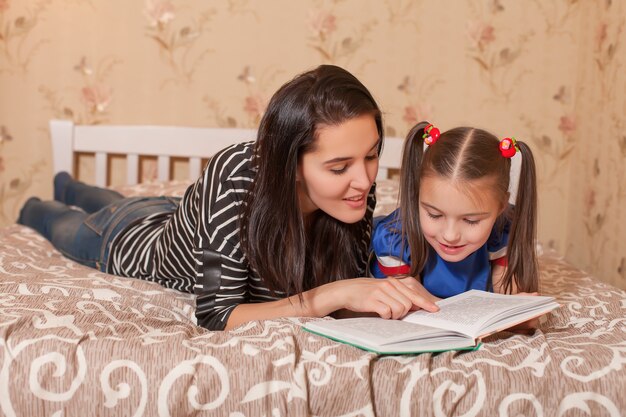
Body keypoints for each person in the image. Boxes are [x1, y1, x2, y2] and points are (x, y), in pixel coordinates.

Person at [18, 65, 439, 331]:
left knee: (105, 196)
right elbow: (218, 315)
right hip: (129, 240)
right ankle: (54, 190)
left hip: (175, 214)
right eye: (338, 167)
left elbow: (348, 285)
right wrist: (333, 294)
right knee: (56, 216)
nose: (364, 181)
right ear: (290, 164)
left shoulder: (352, 193)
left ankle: (76, 187)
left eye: (371, 156)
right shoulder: (236, 176)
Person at [370, 121, 539, 301]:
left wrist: (518, 313)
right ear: (417, 196)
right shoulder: (395, 240)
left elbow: (506, 297)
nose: (450, 236)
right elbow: (411, 309)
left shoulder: (503, 230)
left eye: (471, 221)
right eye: (434, 215)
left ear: (501, 206)